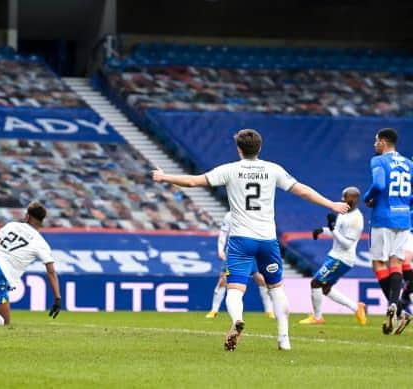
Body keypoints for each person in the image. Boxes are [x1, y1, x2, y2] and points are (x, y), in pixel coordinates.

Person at [151, 129, 349, 351]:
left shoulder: (230, 170)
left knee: (235, 290)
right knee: (276, 289)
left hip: (240, 239)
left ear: (238, 149)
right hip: (267, 239)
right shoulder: (273, 169)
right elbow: (302, 191)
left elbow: (194, 182)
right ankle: (284, 338)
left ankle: (237, 320)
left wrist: (165, 177)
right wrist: (331, 204)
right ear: (260, 147)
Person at [363, 128, 413, 335]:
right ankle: (397, 305)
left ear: (383, 142)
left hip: (383, 217)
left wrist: (368, 197)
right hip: (404, 219)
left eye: (376, 141)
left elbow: (378, 184)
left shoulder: (378, 161)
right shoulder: (409, 164)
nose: (375, 145)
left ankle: (398, 307)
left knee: (378, 263)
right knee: (396, 262)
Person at [299, 187, 368, 326]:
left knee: (316, 282)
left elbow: (347, 243)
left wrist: (332, 228)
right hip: (336, 255)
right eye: (342, 197)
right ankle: (356, 308)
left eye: (345, 197)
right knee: (325, 288)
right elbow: (337, 233)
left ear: (354, 200)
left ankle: (317, 318)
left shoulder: (356, 219)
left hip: (343, 258)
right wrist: (323, 230)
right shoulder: (344, 212)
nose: (342, 200)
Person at [206, 211, 275, 319]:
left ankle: (269, 311)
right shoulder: (229, 215)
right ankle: (214, 310)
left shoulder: (254, 214)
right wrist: (220, 250)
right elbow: (223, 233)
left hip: (252, 251)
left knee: (260, 279)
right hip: (234, 252)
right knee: (223, 279)